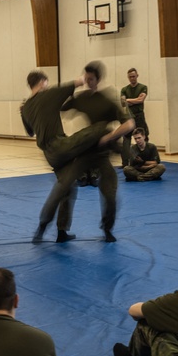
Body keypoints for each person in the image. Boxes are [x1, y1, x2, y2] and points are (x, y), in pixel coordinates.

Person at [21, 68, 127, 243]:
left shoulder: (25, 108)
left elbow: (30, 132)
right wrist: (88, 76)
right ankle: (117, 148)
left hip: (49, 154)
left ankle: (53, 230)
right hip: (60, 146)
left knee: (66, 189)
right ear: (41, 83)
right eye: (46, 83)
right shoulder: (49, 94)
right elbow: (78, 81)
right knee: (102, 128)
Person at [61, 62, 135, 242]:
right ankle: (61, 230)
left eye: (90, 79)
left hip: (101, 154)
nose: (87, 82)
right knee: (65, 187)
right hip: (83, 152)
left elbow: (129, 124)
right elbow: (61, 106)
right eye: (85, 79)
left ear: (98, 80)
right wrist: (71, 87)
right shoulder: (81, 98)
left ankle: (107, 229)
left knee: (110, 193)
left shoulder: (107, 101)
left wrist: (110, 136)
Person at [120, 68, 148, 166]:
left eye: (134, 76)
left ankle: (145, 160)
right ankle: (125, 163)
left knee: (144, 137)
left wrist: (128, 100)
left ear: (137, 76)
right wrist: (134, 100)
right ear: (128, 78)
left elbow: (141, 100)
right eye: (130, 77)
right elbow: (123, 103)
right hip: (128, 117)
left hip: (139, 116)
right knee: (126, 140)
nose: (132, 78)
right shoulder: (124, 89)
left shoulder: (143, 87)